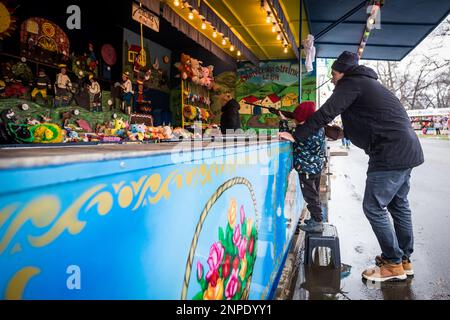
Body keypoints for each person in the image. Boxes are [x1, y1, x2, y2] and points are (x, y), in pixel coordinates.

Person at [278, 51, 424, 283]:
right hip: (406, 148)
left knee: (374, 207)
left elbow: (325, 112)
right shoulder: (368, 84)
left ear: (343, 71)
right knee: (398, 205)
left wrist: (298, 135)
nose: (333, 78)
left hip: (389, 152)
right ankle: (403, 259)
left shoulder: (351, 83)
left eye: (334, 73)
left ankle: (393, 264)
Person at [279, 101, 326, 233]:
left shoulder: (305, 131)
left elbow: (288, 137)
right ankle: (315, 218)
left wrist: (283, 123)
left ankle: (317, 222)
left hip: (307, 169)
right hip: (315, 167)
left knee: (310, 196)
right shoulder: (317, 127)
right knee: (314, 194)